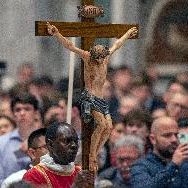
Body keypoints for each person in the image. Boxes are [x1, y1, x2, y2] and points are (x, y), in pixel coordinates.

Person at [47, 22, 138, 171]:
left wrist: (127, 34)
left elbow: (117, 44)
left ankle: (95, 152)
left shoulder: (106, 57)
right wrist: (57, 34)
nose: (100, 61)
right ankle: (92, 156)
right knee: (101, 124)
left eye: (102, 58)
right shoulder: (88, 57)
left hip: (100, 99)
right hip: (89, 97)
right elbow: (70, 46)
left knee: (109, 127)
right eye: (98, 58)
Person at [130, 116, 188, 188]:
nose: (174, 140)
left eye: (176, 135)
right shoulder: (141, 166)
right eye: (167, 135)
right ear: (153, 139)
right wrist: (173, 165)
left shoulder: (186, 164)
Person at [0, 94, 41, 188]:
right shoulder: (0, 143)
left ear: (36, 113)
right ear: (13, 115)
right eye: (18, 110)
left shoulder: (46, 141)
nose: (22, 113)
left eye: (27, 109)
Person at [23, 122, 94, 188]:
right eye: (67, 141)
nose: (74, 145)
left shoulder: (80, 172)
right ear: (50, 144)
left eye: (75, 141)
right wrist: (74, 187)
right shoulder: (34, 175)